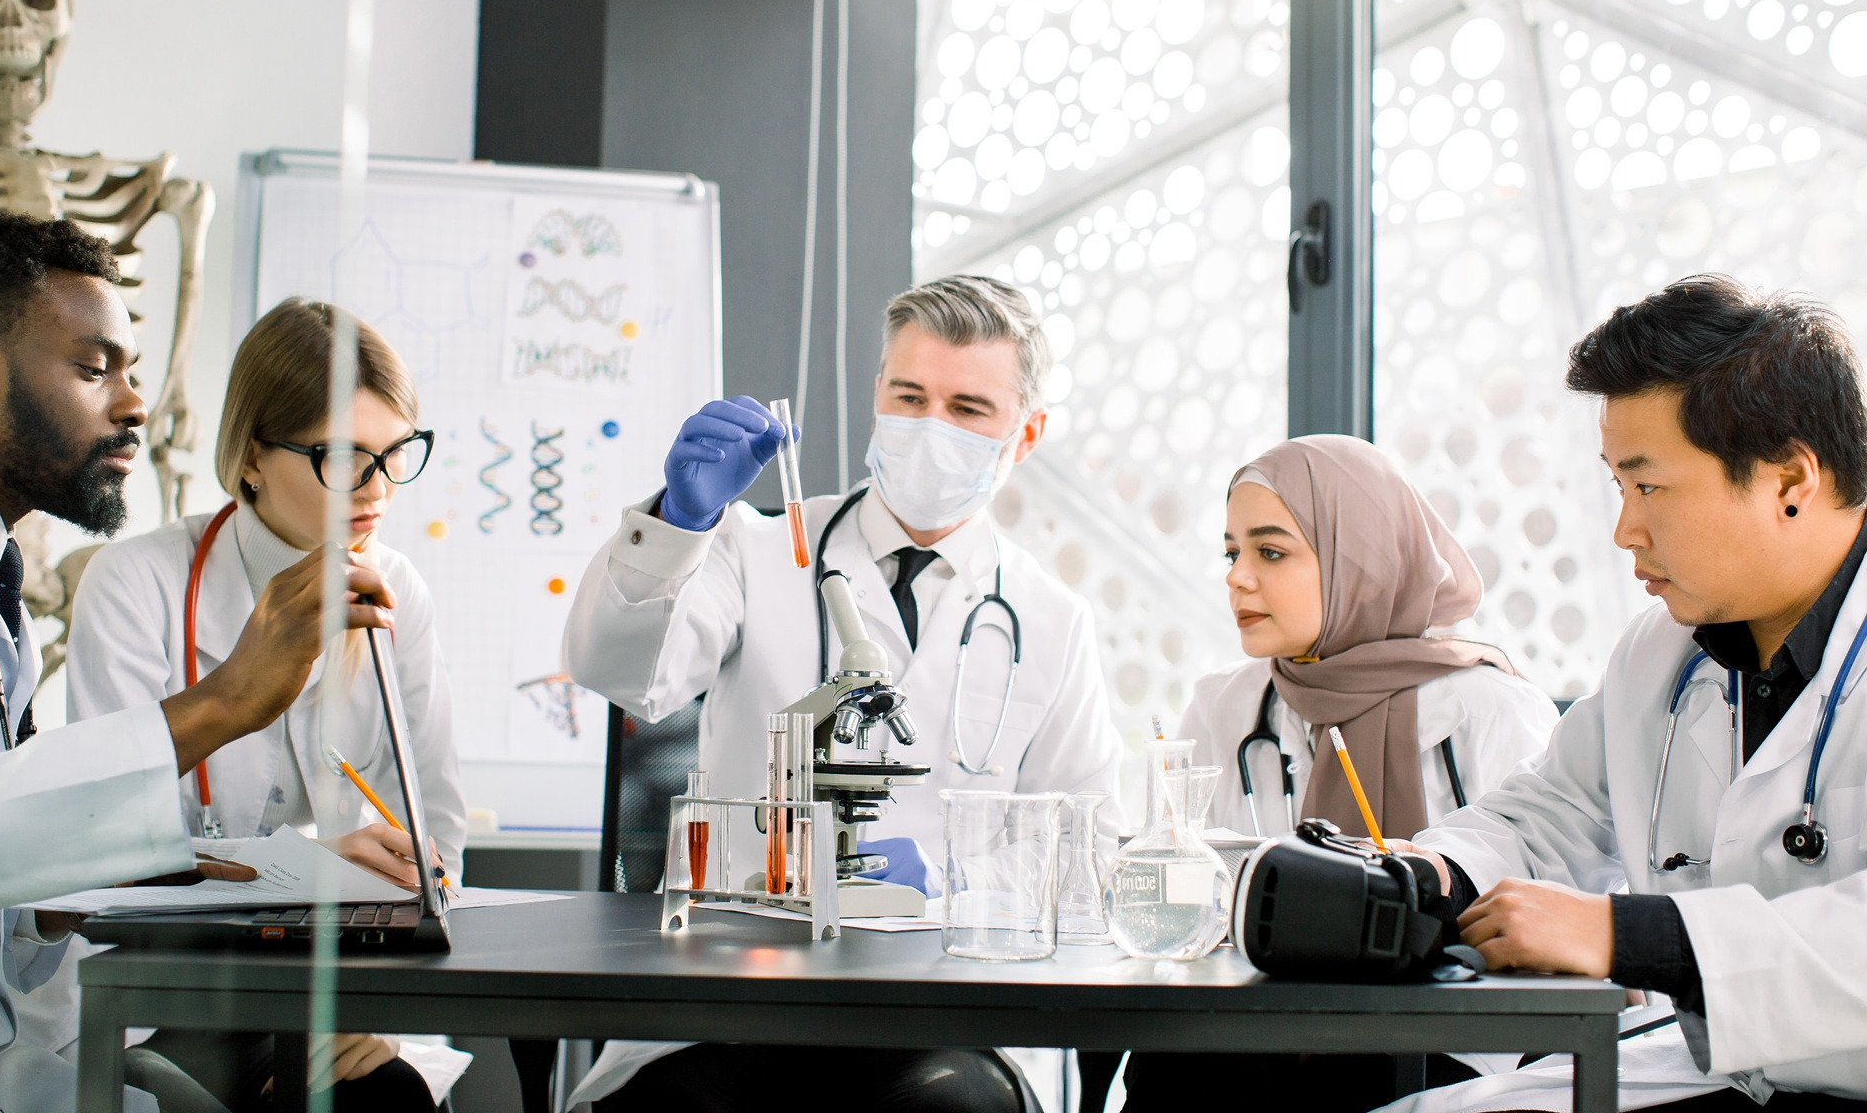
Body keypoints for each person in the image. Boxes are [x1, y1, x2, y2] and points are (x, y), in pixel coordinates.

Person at [562, 274, 1124, 1112]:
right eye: (910, 398)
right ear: (878, 395)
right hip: (741, 997)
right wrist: (680, 523)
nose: (930, 429)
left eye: (968, 409)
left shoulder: (1051, 619)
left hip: (947, 1010)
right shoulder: (756, 549)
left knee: (948, 1108)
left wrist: (949, 883)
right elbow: (619, 671)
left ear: (1027, 433)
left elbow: (1091, 850)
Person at [0, 210, 396, 1113]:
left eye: (132, 372)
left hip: (2, 1062)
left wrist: (108, 882)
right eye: (93, 368)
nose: (134, 406)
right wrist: (223, 702)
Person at [1387, 276, 1867, 1112]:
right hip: (1728, 1072)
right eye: (1617, 487)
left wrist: (1630, 936)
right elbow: (1550, 811)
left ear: (1791, 480)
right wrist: (1433, 875)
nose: (1624, 531)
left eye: (1649, 488)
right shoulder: (1662, 652)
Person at [38, 298, 466, 1113]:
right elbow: (114, 855)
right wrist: (315, 870)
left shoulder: (397, 589)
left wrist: (376, 1004)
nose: (378, 489)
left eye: (394, 454)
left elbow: (433, 835)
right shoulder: (135, 585)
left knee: (384, 1094)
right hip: (167, 996)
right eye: (344, 457)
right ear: (253, 457)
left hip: (334, 985)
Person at [1116, 434, 1560, 1111]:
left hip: (1453, 1041)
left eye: (1270, 552)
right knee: (1168, 1068)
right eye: (1232, 553)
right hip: (1254, 1025)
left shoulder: (1488, 708)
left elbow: (1551, 916)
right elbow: (1174, 897)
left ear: (1364, 563)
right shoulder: (1223, 705)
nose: (1237, 578)